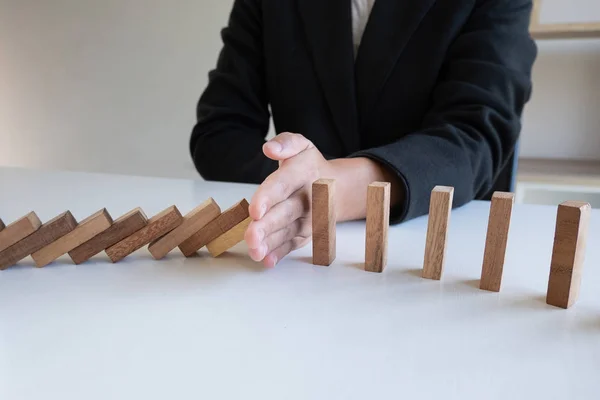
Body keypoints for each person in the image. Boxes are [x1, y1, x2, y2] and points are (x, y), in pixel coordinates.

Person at [189, 0, 538, 268]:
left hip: (434, 253)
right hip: (292, 262)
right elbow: (220, 132)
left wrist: (335, 188)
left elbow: (477, 133)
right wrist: (291, 185)